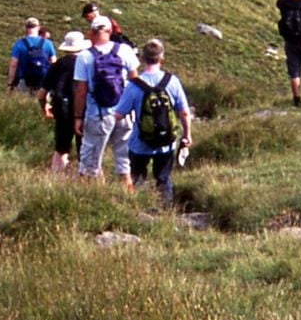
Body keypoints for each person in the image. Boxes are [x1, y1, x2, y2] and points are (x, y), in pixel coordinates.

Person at [112, 38, 193, 202]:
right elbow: (184, 112)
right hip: (167, 142)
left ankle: (136, 207)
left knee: (136, 177)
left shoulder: (134, 85)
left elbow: (118, 114)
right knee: (163, 179)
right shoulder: (172, 81)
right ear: (162, 59)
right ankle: (165, 210)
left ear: (142, 59)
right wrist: (187, 135)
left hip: (139, 143)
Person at [72, 17, 139, 182]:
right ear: (110, 31)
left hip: (99, 114)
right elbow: (135, 82)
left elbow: (81, 90)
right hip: (125, 114)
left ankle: (93, 196)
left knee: (90, 161)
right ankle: (128, 194)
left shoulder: (85, 56)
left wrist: (78, 117)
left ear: (92, 33)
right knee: (124, 159)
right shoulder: (125, 50)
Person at [47, 28, 87, 173]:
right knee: (85, 148)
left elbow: (42, 93)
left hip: (62, 110)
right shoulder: (87, 64)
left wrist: (44, 107)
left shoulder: (58, 65)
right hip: (83, 110)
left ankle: (57, 177)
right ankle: (87, 180)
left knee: (61, 148)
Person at [6, 16, 57, 120]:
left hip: (24, 80)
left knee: (22, 108)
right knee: (42, 106)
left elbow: (13, 65)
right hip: (43, 81)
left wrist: (10, 84)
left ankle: (25, 123)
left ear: (26, 28)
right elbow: (54, 62)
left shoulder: (19, 44)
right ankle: (42, 124)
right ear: (38, 28)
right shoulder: (47, 43)